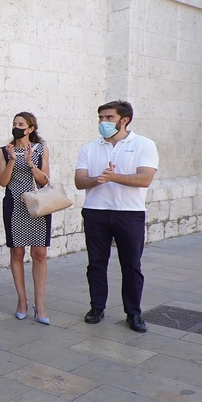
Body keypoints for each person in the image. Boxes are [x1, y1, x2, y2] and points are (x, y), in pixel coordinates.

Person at [74, 101, 158, 333]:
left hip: (129, 213)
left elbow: (144, 179)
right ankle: (97, 307)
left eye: (109, 118)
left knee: (131, 265)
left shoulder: (144, 144)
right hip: (95, 211)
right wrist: (98, 179)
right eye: (101, 117)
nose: (103, 122)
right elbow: (80, 181)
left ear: (124, 120)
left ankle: (133, 313)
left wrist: (113, 177)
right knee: (96, 264)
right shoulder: (89, 148)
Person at [0, 112, 52, 325]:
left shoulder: (41, 149)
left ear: (30, 128)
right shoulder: (4, 151)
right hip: (14, 204)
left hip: (38, 204)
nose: (17, 127)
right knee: (17, 253)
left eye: (21, 124)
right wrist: (12, 160)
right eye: (14, 123)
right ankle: (22, 302)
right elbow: (2, 182)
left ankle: (40, 304)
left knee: (39, 253)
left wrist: (30, 163)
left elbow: (45, 180)